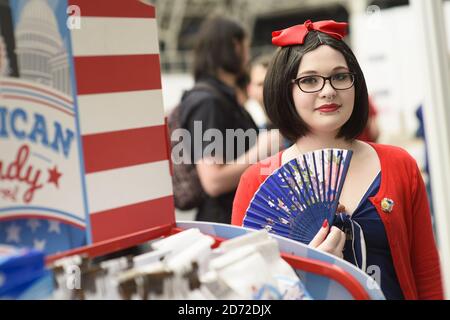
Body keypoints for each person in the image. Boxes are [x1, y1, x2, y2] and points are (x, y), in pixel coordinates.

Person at [231, 20, 443, 300]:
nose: (328, 90)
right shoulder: (257, 180)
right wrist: (303, 273)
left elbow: (426, 275)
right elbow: (245, 292)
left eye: (340, 76)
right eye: (309, 80)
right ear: (285, 89)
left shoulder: (399, 165)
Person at [179, 16, 281, 223]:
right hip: (223, 223)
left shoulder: (221, 98)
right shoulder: (208, 102)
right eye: (246, 46)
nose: (247, 55)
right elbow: (213, 181)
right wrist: (261, 150)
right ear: (235, 46)